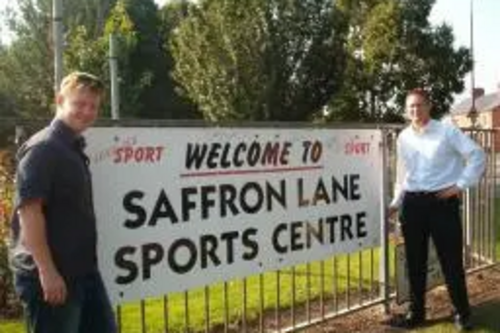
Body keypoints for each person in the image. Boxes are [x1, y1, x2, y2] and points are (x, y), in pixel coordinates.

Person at [9, 72, 117, 333]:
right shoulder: (45, 148)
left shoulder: (70, 147)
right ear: (60, 100)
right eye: (79, 103)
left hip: (82, 273)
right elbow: (29, 212)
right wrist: (47, 272)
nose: (87, 111)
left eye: (93, 106)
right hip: (51, 278)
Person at [388, 88, 485, 331]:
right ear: (406, 110)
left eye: (419, 105)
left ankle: (462, 313)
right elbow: (402, 174)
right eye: (410, 106)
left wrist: (460, 185)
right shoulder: (403, 138)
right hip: (412, 205)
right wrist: (396, 202)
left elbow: (477, 155)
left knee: (451, 262)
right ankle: (416, 313)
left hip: (442, 203)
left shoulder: (447, 131)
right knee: (414, 262)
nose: (415, 110)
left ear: (429, 106)